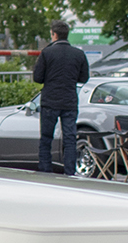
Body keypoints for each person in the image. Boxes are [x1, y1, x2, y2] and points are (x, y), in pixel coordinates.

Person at [34, 19, 90, 175]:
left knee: (46, 138)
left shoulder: (47, 53)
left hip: (50, 100)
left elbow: (37, 77)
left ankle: (45, 170)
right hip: (69, 100)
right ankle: (70, 171)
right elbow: (84, 78)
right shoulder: (78, 54)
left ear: (54, 35)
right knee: (70, 138)